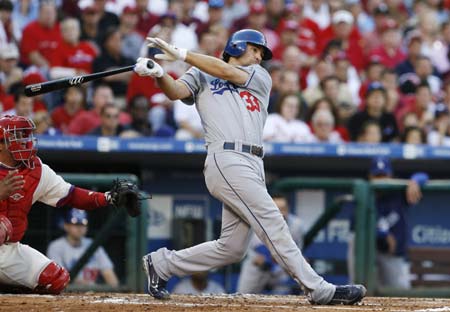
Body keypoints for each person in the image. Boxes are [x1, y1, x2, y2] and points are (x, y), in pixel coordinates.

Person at [134, 28, 366, 305]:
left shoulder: (259, 76)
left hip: (254, 162)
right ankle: (318, 289)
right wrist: (160, 75)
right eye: (255, 50)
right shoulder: (199, 74)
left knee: (231, 249)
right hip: (226, 157)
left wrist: (183, 54)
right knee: (273, 222)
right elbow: (176, 92)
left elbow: (226, 72)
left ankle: (162, 264)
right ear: (237, 46)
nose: (259, 57)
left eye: (261, 53)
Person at [0, 115, 124, 294]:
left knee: (56, 279)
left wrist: (109, 197)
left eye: (25, 135)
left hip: (9, 249)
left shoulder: (36, 170)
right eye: (17, 136)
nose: (24, 141)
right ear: (1, 144)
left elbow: (71, 195)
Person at [368, 156, 428, 289]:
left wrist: (414, 181)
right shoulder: (365, 194)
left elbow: (423, 175)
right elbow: (356, 228)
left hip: (394, 258)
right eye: (378, 176)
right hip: (370, 258)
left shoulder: (397, 192)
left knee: (401, 295)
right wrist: (382, 234)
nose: (382, 179)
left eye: (384, 175)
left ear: (391, 175)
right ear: (370, 177)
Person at [237, 193, 305, 295]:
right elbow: (245, 247)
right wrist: (255, 258)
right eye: (277, 209)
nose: (281, 213)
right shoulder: (255, 221)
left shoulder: (296, 225)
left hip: (280, 268)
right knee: (243, 296)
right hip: (257, 267)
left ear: (288, 209)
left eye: (283, 209)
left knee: (282, 300)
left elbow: (298, 249)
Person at [47, 208, 119, 287]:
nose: (79, 228)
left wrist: (115, 289)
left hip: (92, 293)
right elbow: (59, 277)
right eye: (75, 224)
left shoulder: (93, 245)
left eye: (83, 224)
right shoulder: (56, 246)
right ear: (66, 226)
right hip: (68, 293)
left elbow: (108, 273)